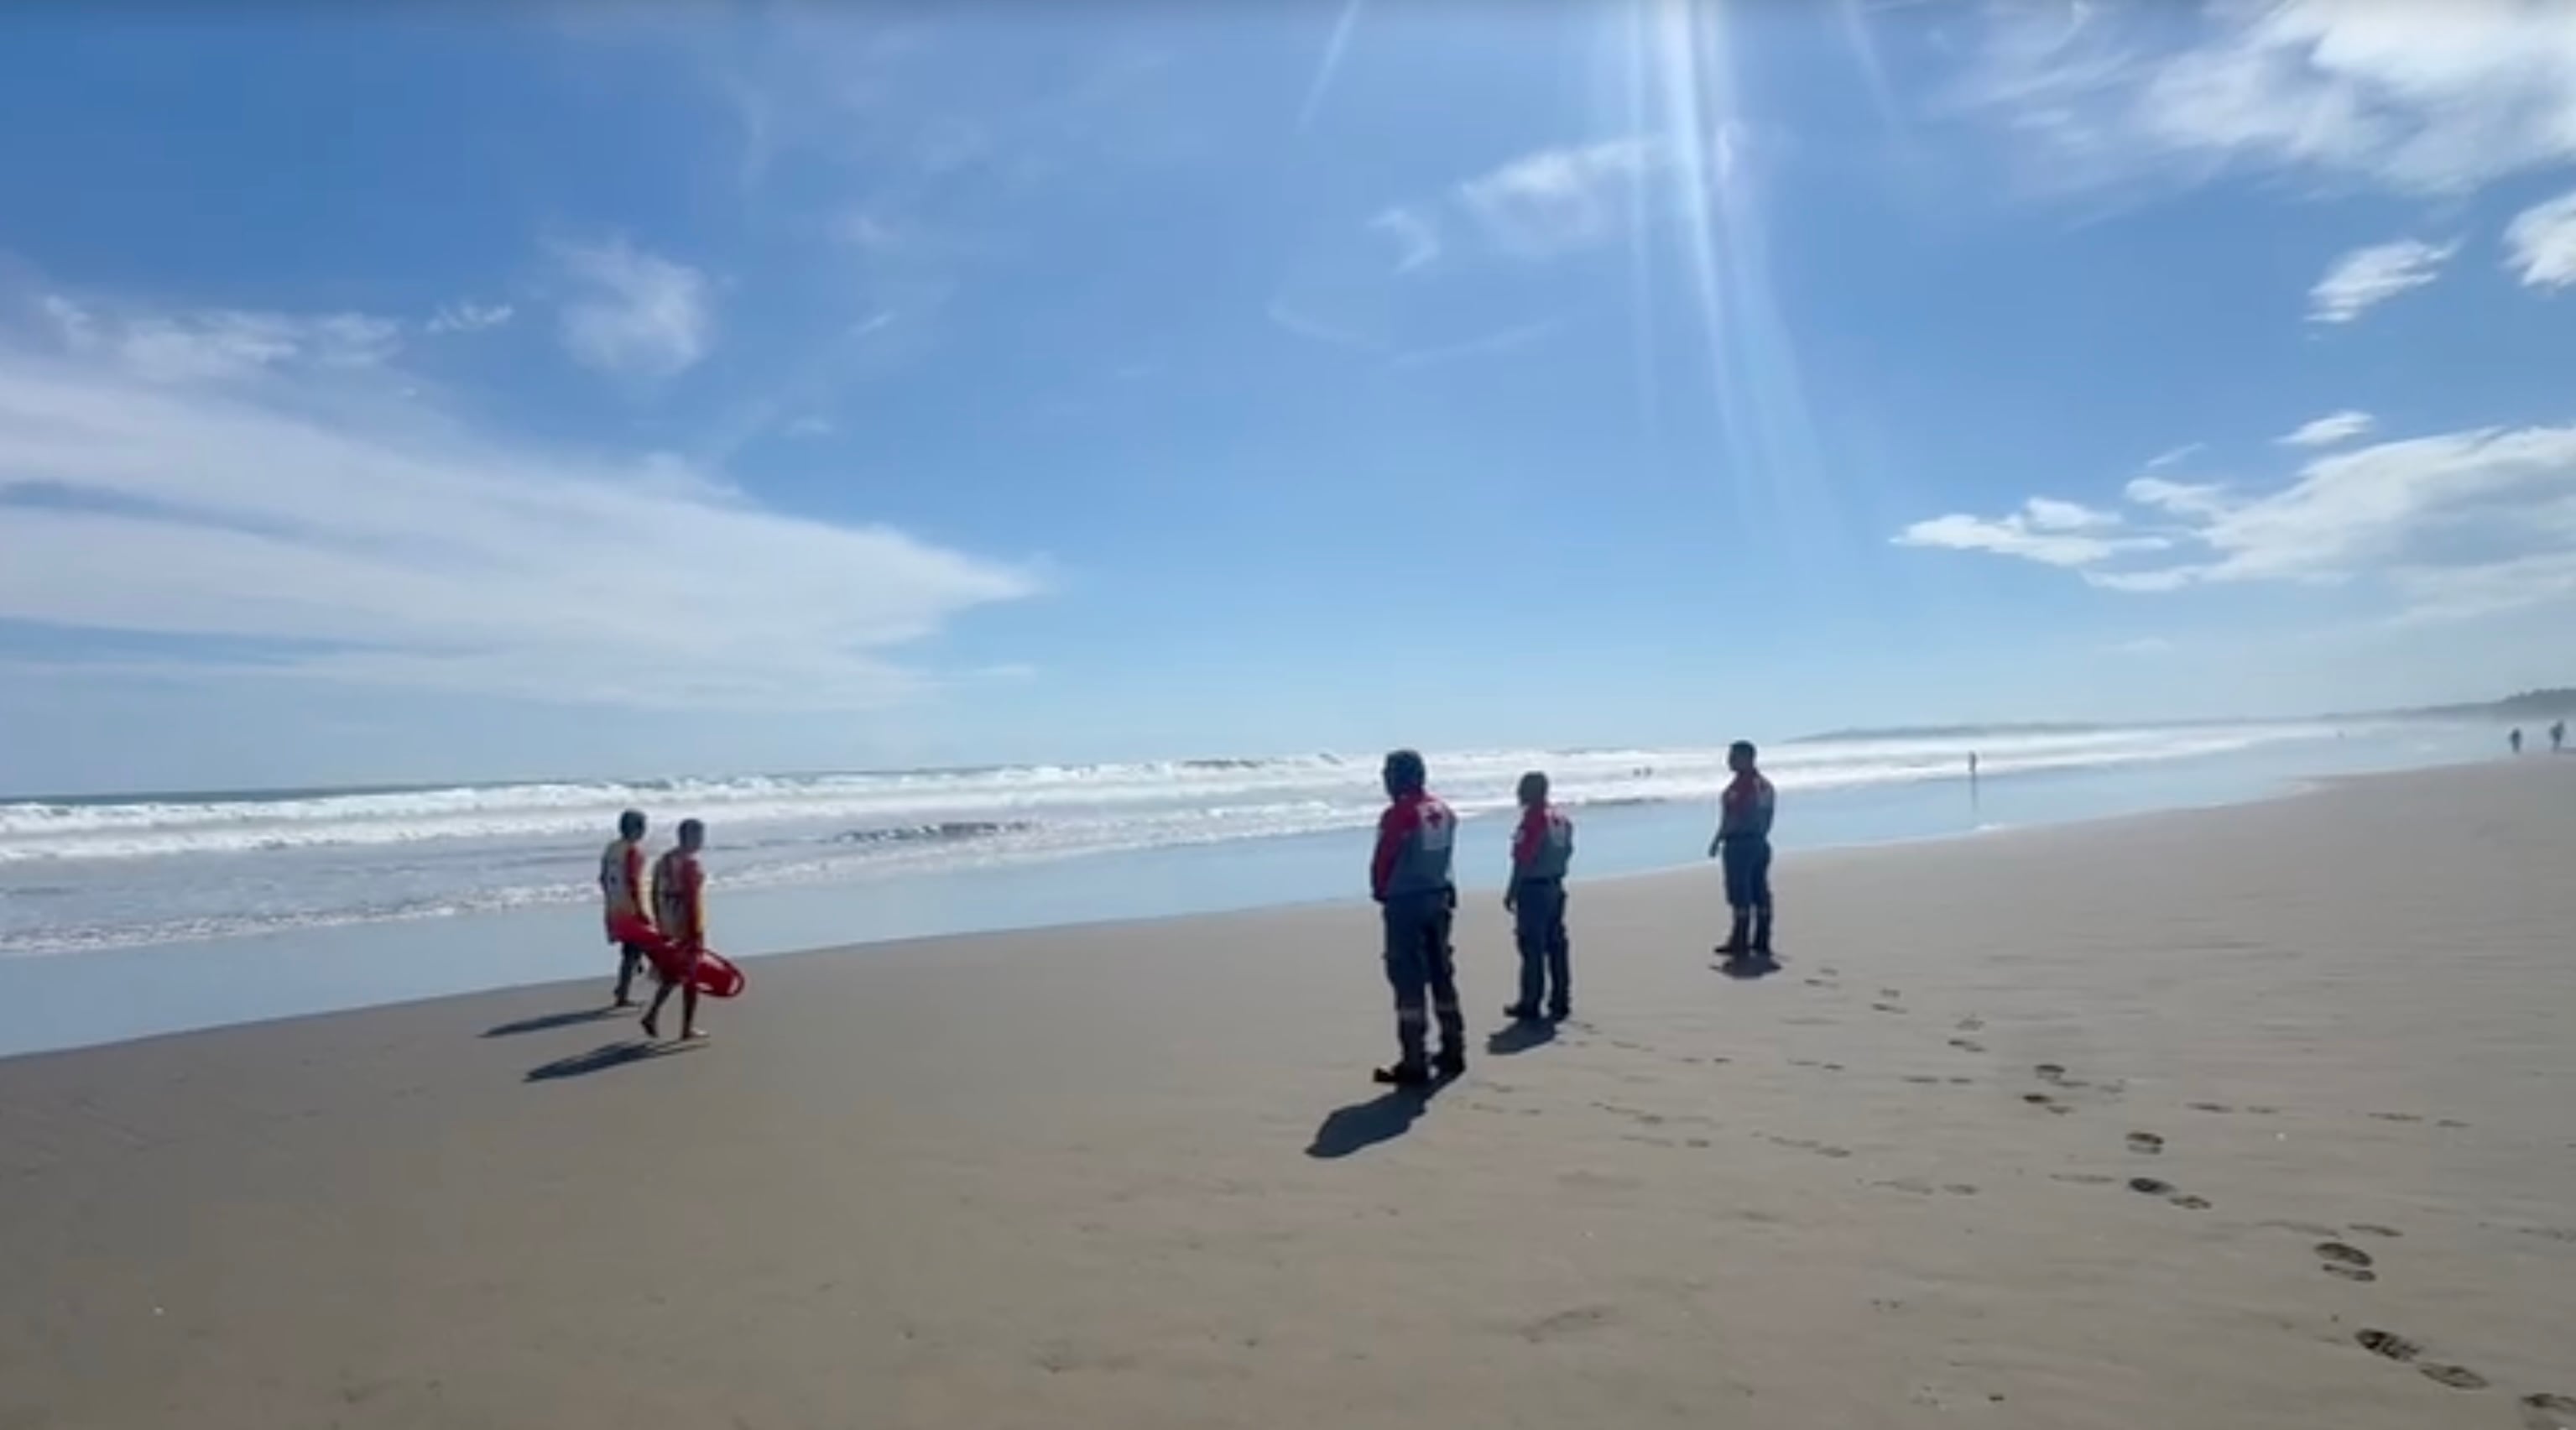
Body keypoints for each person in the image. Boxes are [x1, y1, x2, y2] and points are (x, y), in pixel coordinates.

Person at [1369, 749, 1463, 1086]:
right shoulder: (1443, 811)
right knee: (1442, 975)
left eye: (1388, 773)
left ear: (1400, 777)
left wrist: (1380, 890)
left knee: (1407, 981)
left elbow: (1384, 858)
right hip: (1438, 897)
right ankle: (1453, 1048)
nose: (1384, 780)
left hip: (1406, 903)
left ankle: (1414, 1061)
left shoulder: (1399, 814)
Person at [1504, 770, 1574, 1023]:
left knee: (1531, 947)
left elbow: (1522, 858)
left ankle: (1530, 1002)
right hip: (1555, 885)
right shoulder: (1561, 819)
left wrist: (1512, 890)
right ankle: (1560, 1000)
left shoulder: (1533, 819)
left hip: (1533, 889)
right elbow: (1568, 851)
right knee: (1556, 946)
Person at [1708, 740, 1777, 963]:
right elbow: (1767, 817)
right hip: (1759, 842)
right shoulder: (1765, 785)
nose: (1729, 761)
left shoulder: (1743, 786)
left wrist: (1718, 839)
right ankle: (1762, 939)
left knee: (1740, 893)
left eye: (1733, 756)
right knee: (1760, 891)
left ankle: (1740, 941)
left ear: (1747, 758)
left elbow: (1733, 817)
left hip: (1740, 843)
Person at [644, 818, 712, 1042]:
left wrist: (659, 922)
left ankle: (652, 1014)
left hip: (668, 923)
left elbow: (653, 892)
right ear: (691, 838)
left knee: (672, 975)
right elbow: (692, 901)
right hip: (687, 926)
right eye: (700, 837)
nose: (702, 842)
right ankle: (687, 1028)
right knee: (691, 979)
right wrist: (695, 933)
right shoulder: (690, 864)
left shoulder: (664, 860)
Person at [598, 809, 652, 1008]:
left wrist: (612, 898)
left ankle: (625, 983)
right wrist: (641, 910)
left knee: (630, 949)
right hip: (630, 908)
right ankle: (623, 993)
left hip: (614, 906)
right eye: (643, 827)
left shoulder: (611, 848)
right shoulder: (633, 851)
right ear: (636, 829)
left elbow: (603, 879)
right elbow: (633, 881)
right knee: (634, 950)